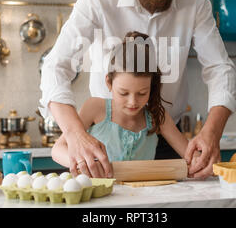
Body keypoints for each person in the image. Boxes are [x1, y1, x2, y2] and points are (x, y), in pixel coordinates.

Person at [39, 0, 236, 179]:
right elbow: (55, 67)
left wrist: (211, 132)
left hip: (166, 141)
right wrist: (75, 134)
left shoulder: (195, 0)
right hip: (101, 148)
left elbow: (219, 68)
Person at [51, 32, 201, 176]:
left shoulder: (157, 116)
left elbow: (190, 156)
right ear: (109, 82)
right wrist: (83, 163)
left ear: (152, 86)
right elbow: (58, 149)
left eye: (142, 93)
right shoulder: (95, 108)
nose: (133, 102)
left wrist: (200, 160)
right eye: (123, 93)